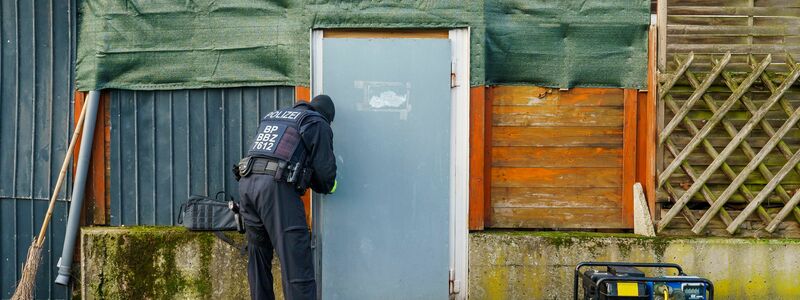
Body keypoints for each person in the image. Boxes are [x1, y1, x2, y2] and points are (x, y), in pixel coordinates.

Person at [235, 95, 337, 300]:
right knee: (296, 264)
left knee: (258, 262)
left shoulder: (273, 117)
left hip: (246, 183)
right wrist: (327, 186)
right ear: (327, 116)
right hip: (276, 189)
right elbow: (326, 176)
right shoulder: (316, 122)